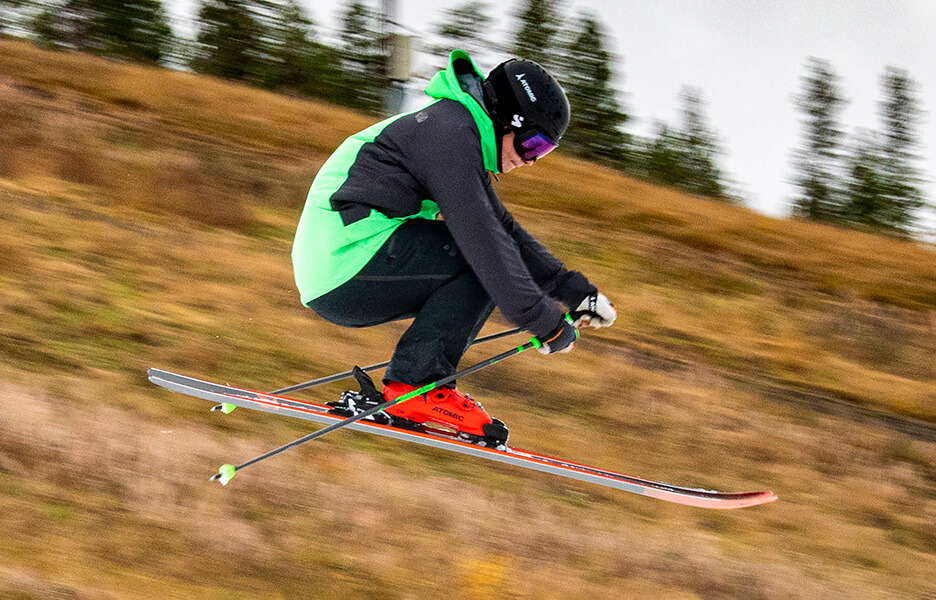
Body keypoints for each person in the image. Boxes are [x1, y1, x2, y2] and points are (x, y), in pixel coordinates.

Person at [292, 50, 616, 447]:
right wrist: (544, 321)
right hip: (346, 261)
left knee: (486, 253)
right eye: (533, 144)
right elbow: (484, 243)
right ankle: (417, 386)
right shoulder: (451, 134)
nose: (531, 161)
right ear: (506, 120)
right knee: (479, 260)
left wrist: (574, 291)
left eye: (544, 152)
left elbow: (501, 228)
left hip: (340, 265)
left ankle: (416, 382)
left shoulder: (457, 130)